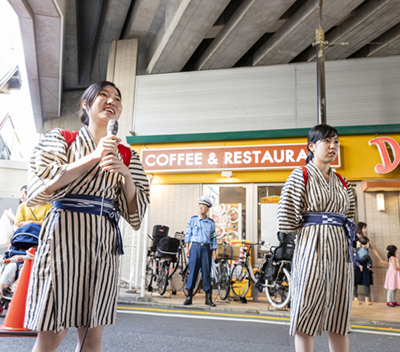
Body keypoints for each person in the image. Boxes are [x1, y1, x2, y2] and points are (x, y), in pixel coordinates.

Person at [23, 81, 150, 352]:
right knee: (52, 335)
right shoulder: (61, 139)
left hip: (102, 243)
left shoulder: (128, 155)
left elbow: (136, 211)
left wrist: (126, 174)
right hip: (62, 240)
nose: (111, 101)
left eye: (117, 97)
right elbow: (40, 185)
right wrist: (94, 156)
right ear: (85, 105)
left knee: (92, 338)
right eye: (103, 95)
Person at [277, 124, 356, 352]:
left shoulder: (343, 181)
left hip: (340, 250)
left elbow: (348, 217)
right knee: (306, 311)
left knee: (339, 316)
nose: (333, 147)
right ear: (311, 146)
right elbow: (288, 218)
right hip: (312, 246)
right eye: (327, 142)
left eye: (336, 142)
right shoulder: (300, 175)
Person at [183, 196, 217, 307]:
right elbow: (188, 234)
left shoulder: (211, 223)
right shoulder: (193, 220)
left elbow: (213, 237)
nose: (200, 207)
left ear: (207, 209)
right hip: (195, 248)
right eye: (199, 205)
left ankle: (208, 298)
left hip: (206, 249)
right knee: (193, 272)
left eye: (203, 206)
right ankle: (189, 297)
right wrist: (187, 248)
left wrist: (214, 250)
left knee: (206, 273)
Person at [353, 235, 373, 305]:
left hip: (364, 267)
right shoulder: (358, 249)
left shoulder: (365, 250)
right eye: (366, 243)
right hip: (357, 267)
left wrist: (368, 265)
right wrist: (359, 265)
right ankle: (355, 298)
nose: (367, 245)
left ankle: (367, 299)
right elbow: (355, 259)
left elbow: (368, 259)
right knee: (355, 282)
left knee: (366, 282)